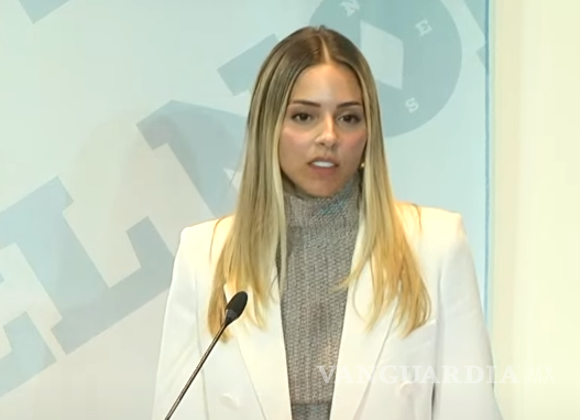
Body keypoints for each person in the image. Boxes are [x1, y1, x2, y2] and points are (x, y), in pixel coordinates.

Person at [151, 26, 503, 420]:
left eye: (349, 117)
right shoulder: (205, 254)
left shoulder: (434, 246)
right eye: (304, 116)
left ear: (369, 133)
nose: (329, 136)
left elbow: (471, 409)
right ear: (268, 127)